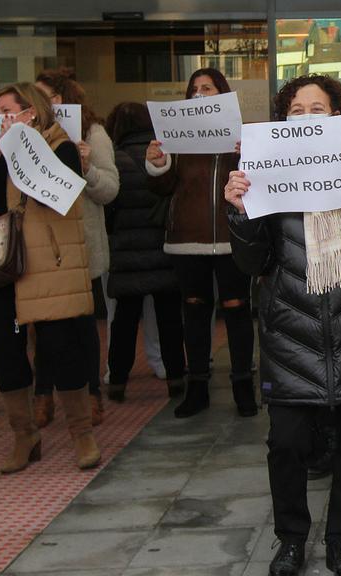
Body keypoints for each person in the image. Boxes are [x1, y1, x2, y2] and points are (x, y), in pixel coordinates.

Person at [224, 74, 341, 576]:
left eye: (318, 108)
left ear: (338, 117)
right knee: (286, 441)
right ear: (284, 121)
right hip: (291, 329)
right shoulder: (265, 174)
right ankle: (290, 540)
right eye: (297, 110)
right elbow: (251, 262)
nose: (307, 117)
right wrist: (240, 212)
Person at [0, 83, 101, 471]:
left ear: (29, 113)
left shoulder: (61, 147)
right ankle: (25, 436)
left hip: (46, 266)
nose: (0, 118)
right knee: (7, 354)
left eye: (7, 110)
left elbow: (58, 194)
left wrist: (17, 149)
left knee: (61, 349)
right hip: (2, 266)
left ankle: (81, 434)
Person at [146, 68, 256, 419]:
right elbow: (162, 189)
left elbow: (257, 182)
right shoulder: (174, 135)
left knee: (238, 310)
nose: (200, 94)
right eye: (194, 89)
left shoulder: (240, 132)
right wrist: (159, 164)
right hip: (186, 239)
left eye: (207, 88)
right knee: (193, 311)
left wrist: (248, 153)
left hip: (230, 235)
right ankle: (197, 388)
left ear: (221, 93)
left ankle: (243, 386)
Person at [32, 70, 119, 427]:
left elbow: (110, 190)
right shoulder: (27, 136)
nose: (35, 104)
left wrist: (86, 169)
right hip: (39, 245)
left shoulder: (93, 133)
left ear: (62, 99)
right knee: (43, 325)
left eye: (43, 97)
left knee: (82, 326)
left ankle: (91, 396)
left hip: (79, 244)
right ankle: (43, 395)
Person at [103, 102, 186, 402]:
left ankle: (118, 381)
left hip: (126, 254)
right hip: (162, 250)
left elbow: (108, 210)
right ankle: (176, 377)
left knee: (124, 320)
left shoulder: (114, 160)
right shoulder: (163, 156)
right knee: (169, 318)